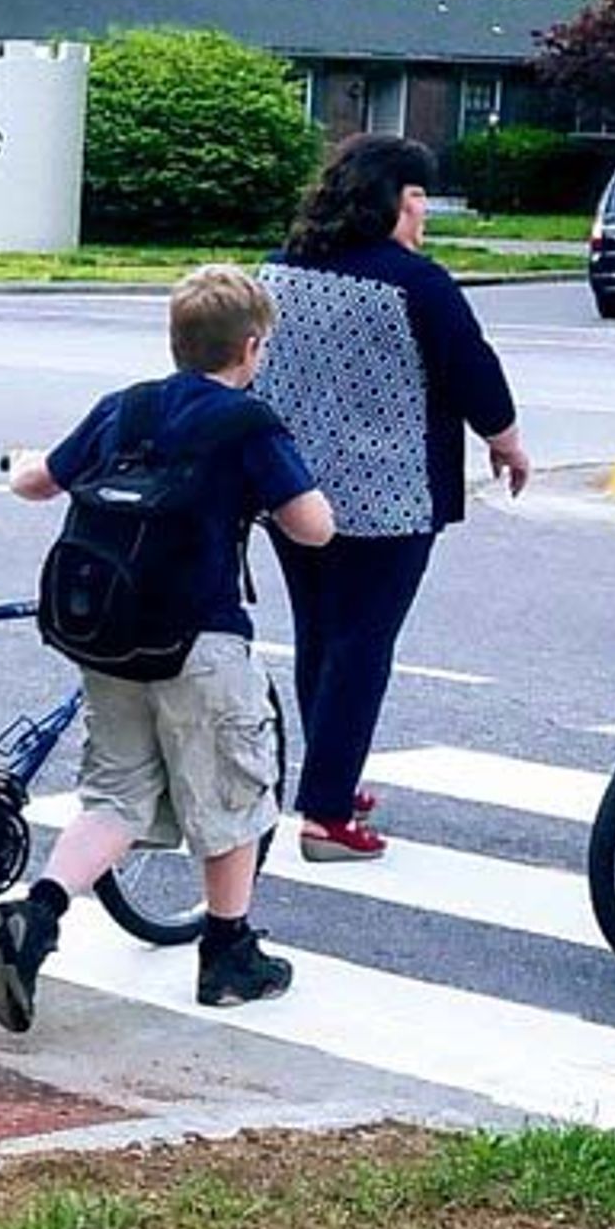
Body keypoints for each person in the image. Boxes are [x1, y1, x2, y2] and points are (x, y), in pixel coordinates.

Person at [0, 264, 334, 1028]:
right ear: (251, 347)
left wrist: (17, 462)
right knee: (233, 795)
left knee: (115, 795)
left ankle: (38, 916)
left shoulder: (126, 407)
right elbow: (314, 526)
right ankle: (229, 954)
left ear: (176, 341)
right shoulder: (248, 423)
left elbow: (40, 481)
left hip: (107, 637)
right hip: (199, 640)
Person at [255, 132, 532, 862]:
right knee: (362, 643)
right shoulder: (418, 284)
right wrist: (505, 441)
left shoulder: (280, 270)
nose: (424, 214)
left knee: (319, 633)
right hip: (389, 495)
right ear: (390, 200)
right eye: (417, 199)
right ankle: (325, 814)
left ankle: (330, 777)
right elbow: (473, 372)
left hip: (289, 489)